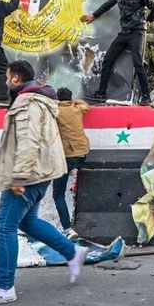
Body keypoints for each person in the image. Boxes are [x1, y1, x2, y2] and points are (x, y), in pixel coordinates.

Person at [0, 61, 88, 306]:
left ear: (15, 79)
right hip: (42, 171)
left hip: (28, 174)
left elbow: (28, 140)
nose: (4, 82)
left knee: (4, 226)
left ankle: (4, 287)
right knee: (28, 221)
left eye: (6, 77)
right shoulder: (40, 99)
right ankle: (71, 252)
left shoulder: (27, 103)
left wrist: (19, 177)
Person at [81, 0, 154, 105]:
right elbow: (108, 4)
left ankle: (146, 96)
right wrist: (94, 15)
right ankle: (101, 93)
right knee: (107, 60)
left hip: (137, 31)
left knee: (138, 63)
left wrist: (147, 21)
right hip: (124, 32)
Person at [52, 88, 90, 238]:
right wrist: (74, 101)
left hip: (67, 156)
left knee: (58, 194)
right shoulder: (77, 108)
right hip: (83, 153)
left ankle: (68, 229)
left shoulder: (56, 111)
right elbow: (86, 105)